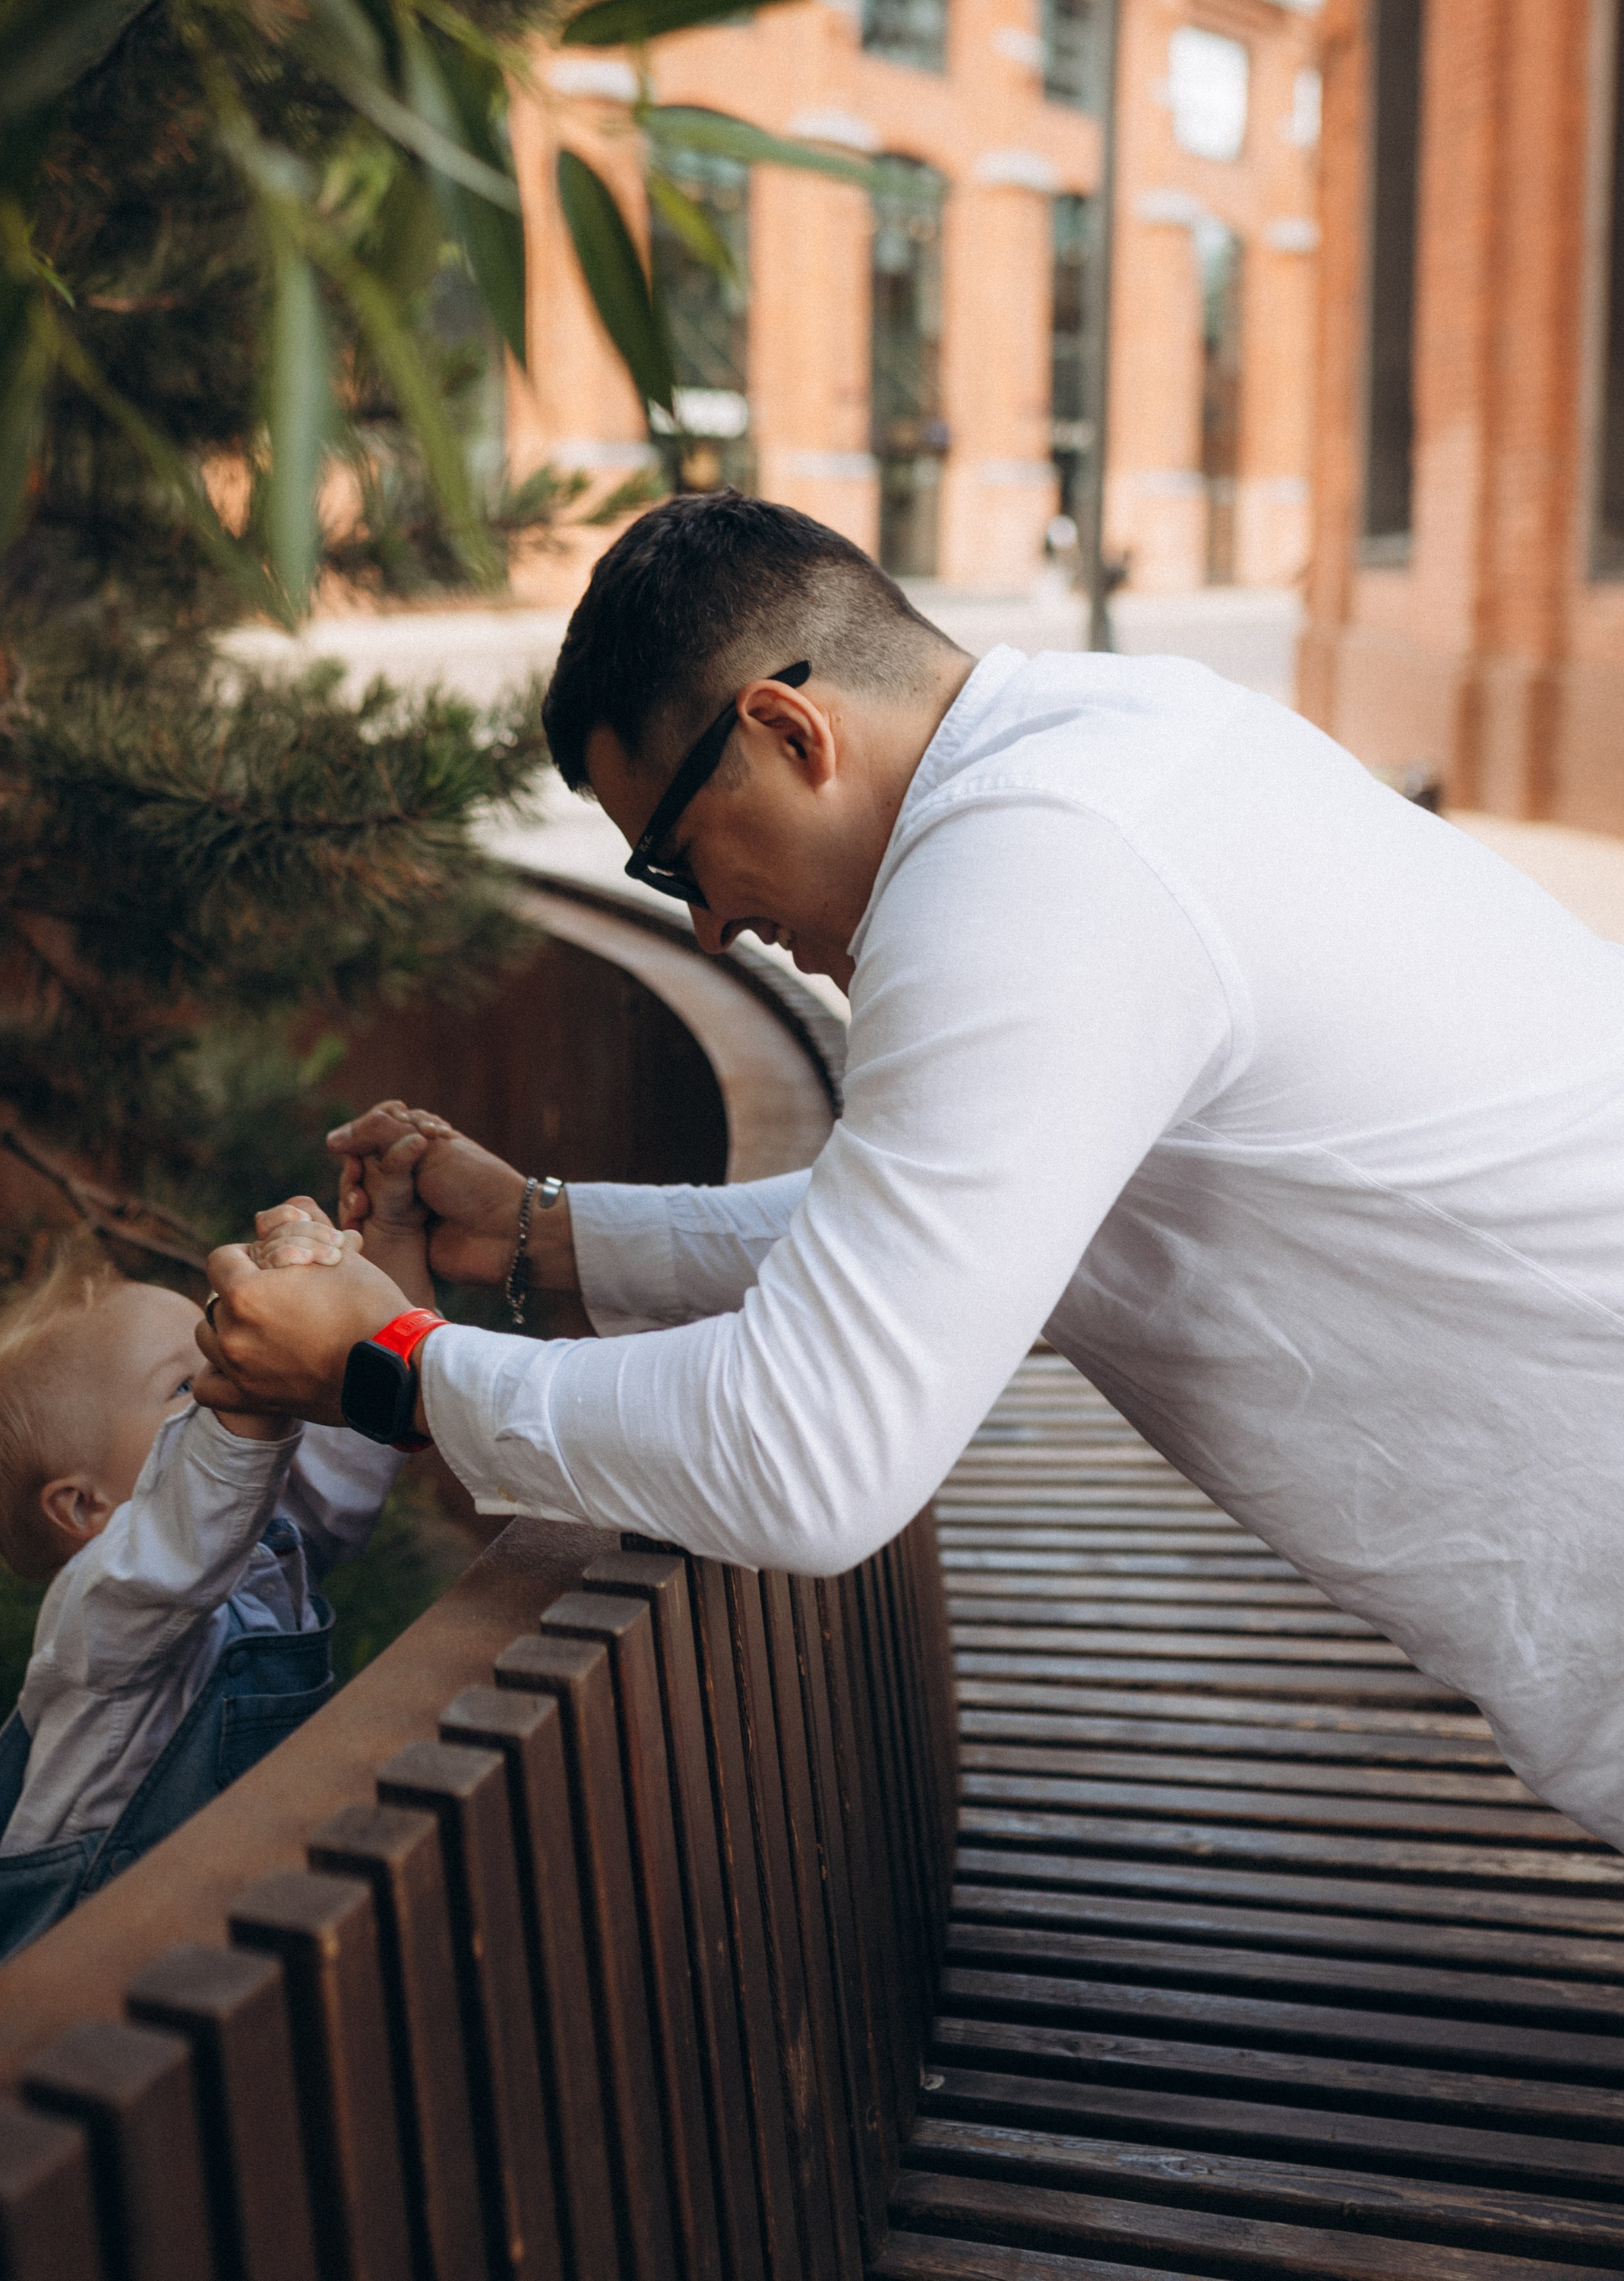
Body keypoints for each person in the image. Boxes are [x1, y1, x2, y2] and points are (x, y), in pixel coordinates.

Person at [195, 491, 1624, 1846]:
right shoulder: (1100, 753)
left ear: (788, 729)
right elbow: (938, 1226)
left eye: (679, 863)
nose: (708, 932)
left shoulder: (1028, 871)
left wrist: (384, 1367)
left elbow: (811, 1456)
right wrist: (544, 1234)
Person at [0, 1128, 432, 1986]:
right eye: (186, 1381)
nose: (223, 1374)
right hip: (86, 1988)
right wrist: (257, 1390)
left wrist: (382, 1258)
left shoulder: (250, 1545)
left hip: (225, 1952)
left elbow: (350, 1468)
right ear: (85, 1508)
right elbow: (182, 1542)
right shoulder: (101, 1615)